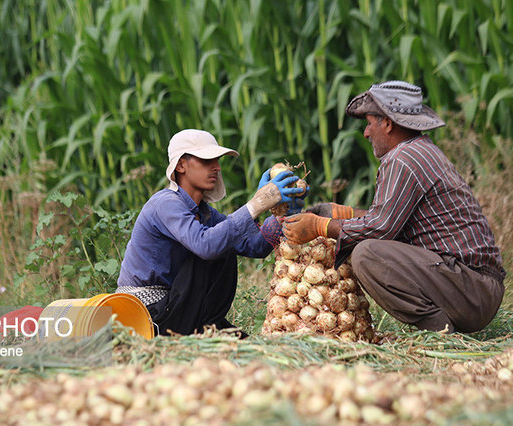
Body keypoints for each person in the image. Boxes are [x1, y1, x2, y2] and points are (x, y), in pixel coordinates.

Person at [282, 80, 506, 334]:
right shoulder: (418, 151)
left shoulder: (403, 159)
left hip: (472, 290)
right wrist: (341, 214)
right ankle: (442, 325)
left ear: (387, 124)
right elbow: (390, 219)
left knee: (366, 255)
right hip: (476, 287)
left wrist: (320, 226)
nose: (366, 132)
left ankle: (439, 330)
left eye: (369, 123)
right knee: (367, 244)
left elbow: (380, 228)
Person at [116, 129, 307, 336]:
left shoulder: (205, 213)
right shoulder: (165, 203)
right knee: (218, 243)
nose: (216, 167)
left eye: (216, 161)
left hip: (175, 308)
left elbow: (255, 246)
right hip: (148, 311)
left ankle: (205, 325)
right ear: (181, 165)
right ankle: (195, 329)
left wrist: (282, 214)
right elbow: (206, 246)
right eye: (206, 161)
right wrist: (256, 204)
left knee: (225, 239)